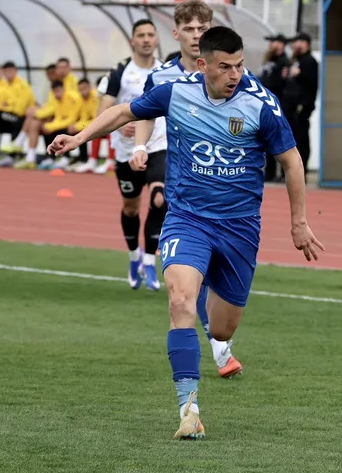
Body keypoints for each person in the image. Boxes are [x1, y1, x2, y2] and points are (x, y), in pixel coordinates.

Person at [47, 26, 325, 440]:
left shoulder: (261, 103)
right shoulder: (177, 92)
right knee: (180, 301)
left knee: (222, 329)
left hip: (239, 228)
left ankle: (209, 288)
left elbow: (291, 161)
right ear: (202, 64)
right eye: (225, 67)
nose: (235, 75)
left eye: (239, 65)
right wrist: (79, 137)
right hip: (187, 219)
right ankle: (189, 410)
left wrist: (298, 222)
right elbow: (124, 112)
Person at [132, 1, 244, 379]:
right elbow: (143, 113)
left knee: (212, 267)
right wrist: (140, 146)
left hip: (219, 178)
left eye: (203, 28)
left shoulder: (230, 72)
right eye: (191, 29)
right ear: (177, 33)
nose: (197, 35)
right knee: (187, 256)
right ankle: (218, 348)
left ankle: (217, 337)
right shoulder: (163, 77)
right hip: (175, 165)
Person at [94, 19, 164, 290]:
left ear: (156, 39)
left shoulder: (166, 70)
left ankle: (149, 260)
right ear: (132, 40)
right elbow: (102, 113)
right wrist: (121, 124)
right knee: (131, 208)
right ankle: (134, 256)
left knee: (160, 199)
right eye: (141, 35)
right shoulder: (119, 72)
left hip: (158, 146)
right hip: (126, 153)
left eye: (150, 35)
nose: (146, 39)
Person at [13, 79, 80, 170]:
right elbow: (57, 115)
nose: (56, 94)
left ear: (63, 89)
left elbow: (71, 119)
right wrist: (48, 125)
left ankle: (22, 144)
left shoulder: (72, 98)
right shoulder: (56, 99)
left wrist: (49, 126)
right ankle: (33, 157)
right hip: (63, 123)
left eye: (58, 91)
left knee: (40, 122)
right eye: (54, 92)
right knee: (37, 123)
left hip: (75, 124)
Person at [282, 32, 318, 175]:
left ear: (305, 43)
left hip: (302, 107)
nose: (294, 45)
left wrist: (300, 74)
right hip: (291, 106)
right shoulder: (295, 60)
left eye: (297, 42)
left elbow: (312, 83)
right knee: (292, 138)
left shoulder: (309, 61)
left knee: (301, 138)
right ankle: (292, 169)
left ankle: (302, 170)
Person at [259, 34, 292, 182]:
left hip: (277, 105)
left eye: (275, 42)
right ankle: (270, 172)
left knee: (280, 141)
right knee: (267, 140)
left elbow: (281, 84)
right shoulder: (269, 60)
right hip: (265, 104)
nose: (272, 45)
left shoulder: (283, 62)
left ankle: (282, 173)